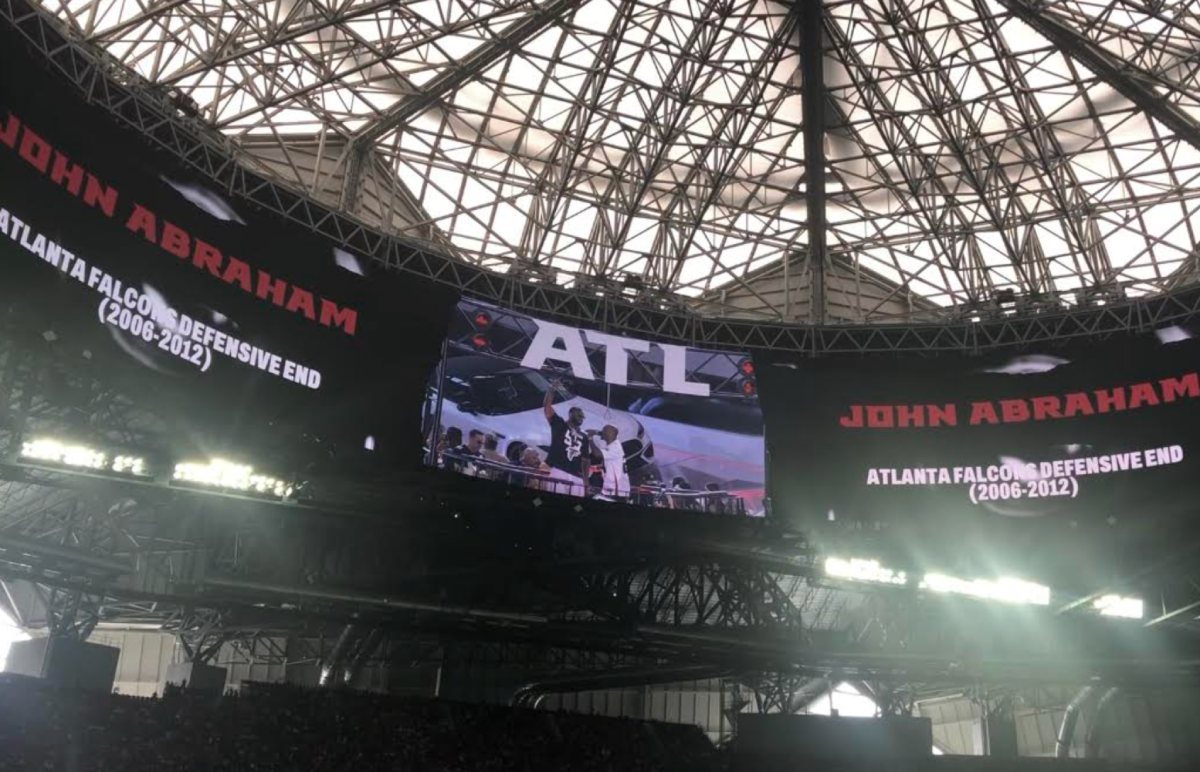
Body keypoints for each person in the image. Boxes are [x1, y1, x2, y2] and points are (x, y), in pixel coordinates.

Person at [542, 377, 590, 496]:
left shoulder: (584, 436)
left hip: (576, 477)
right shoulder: (560, 424)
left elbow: (585, 460)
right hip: (558, 471)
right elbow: (547, 407)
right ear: (571, 414)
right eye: (579, 415)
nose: (581, 418)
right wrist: (552, 388)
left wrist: (586, 480)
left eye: (583, 416)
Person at [588, 425, 629, 499]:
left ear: (609, 433)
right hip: (612, 490)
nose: (601, 432)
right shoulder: (612, 446)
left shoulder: (615, 447)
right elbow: (610, 466)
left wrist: (590, 438)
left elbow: (597, 454)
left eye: (603, 430)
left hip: (617, 492)